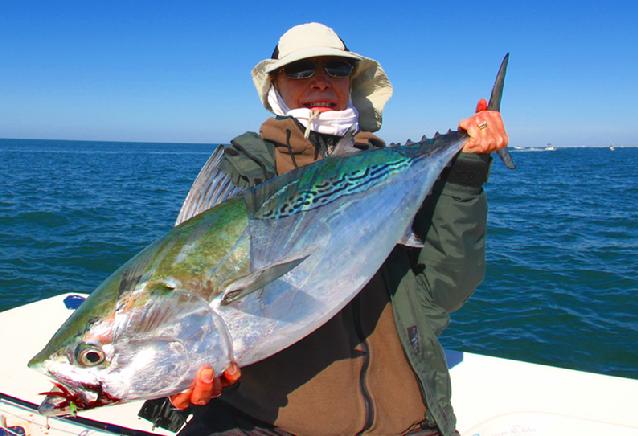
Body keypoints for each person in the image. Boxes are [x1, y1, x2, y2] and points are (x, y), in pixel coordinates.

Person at [140, 22, 508, 436]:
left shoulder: (395, 171)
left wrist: (467, 175)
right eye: (300, 70)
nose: (319, 80)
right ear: (275, 86)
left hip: (408, 424)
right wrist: (179, 374)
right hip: (265, 424)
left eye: (335, 68)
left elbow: (446, 288)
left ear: (351, 82)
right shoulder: (245, 172)